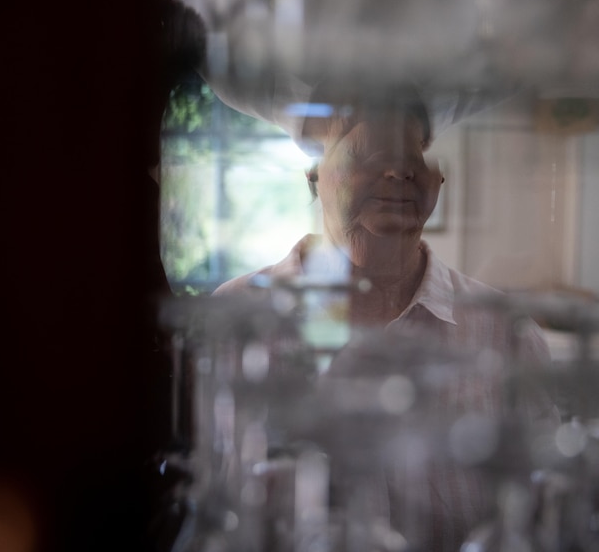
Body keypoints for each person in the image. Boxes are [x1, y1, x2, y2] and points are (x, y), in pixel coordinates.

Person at [207, 76, 559, 552]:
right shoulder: (237, 318)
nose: (396, 177)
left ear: (437, 182)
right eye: (365, 158)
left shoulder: (506, 332)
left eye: (411, 163)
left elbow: (544, 516)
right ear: (315, 179)